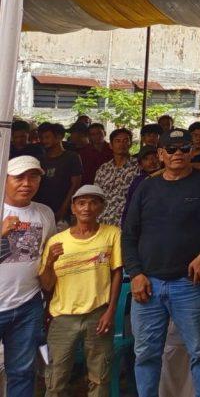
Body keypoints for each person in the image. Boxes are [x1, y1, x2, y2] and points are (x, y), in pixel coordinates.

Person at [122, 128, 200, 397]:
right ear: (160, 154)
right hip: (148, 284)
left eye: (184, 148)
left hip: (189, 284)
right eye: (171, 149)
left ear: (192, 151)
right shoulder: (146, 187)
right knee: (146, 353)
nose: (177, 153)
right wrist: (135, 273)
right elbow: (129, 234)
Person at [39, 185, 122, 397]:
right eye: (82, 203)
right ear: (73, 208)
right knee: (56, 378)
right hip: (63, 317)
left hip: (98, 314)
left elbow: (117, 274)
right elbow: (47, 285)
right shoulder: (56, 241)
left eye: (93, 203)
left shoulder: (112, 234)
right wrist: (49, 262)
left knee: (100, 376)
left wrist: (110, 311)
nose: (87, 208)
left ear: (101, 207)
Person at [1, 155, 57, 397]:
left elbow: (46, 260)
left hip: (27, 305)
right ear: (4, 179)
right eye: (19, 177)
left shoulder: (45, 213)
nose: (27, 183)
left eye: (33, 177)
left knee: (23, 372)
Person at [36, 123, 83, 224]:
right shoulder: (40, 159)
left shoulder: (72, 157)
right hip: (41, 211)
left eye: (47, 137)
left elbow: (75, 185)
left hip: (64, 212)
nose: (43, 141)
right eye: (41, 138)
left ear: (59, 137)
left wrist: (63, 210)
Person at [94, 127, 138, 226]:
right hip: (103, 221)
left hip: (128, 222)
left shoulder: (138, 167)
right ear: (110, 145)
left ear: (130, 144)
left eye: (125, 141)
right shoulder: (103, 169)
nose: (122, 144)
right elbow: (96, 196)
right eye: (118, 141)